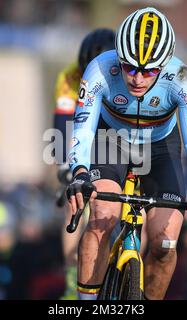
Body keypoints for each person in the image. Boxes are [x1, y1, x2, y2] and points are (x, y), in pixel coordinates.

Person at [66, 7, 187, 300]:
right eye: (129, 67)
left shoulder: (182, 78)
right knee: (102, 216)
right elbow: (82, 130)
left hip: (161, 148)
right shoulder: (99, 69)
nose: (137, 77)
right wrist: (80, 172)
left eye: (148, 71)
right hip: (110, 140)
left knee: (164, 244)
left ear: (164, 65)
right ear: (118, 59)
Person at [52, 28, 116, 299]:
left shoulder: (119, 75)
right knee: (74, 205)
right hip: (81, 135)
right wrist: (64, 165)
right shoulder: (68, 76)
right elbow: (62, 124)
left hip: (114, 136)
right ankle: (71, 276)